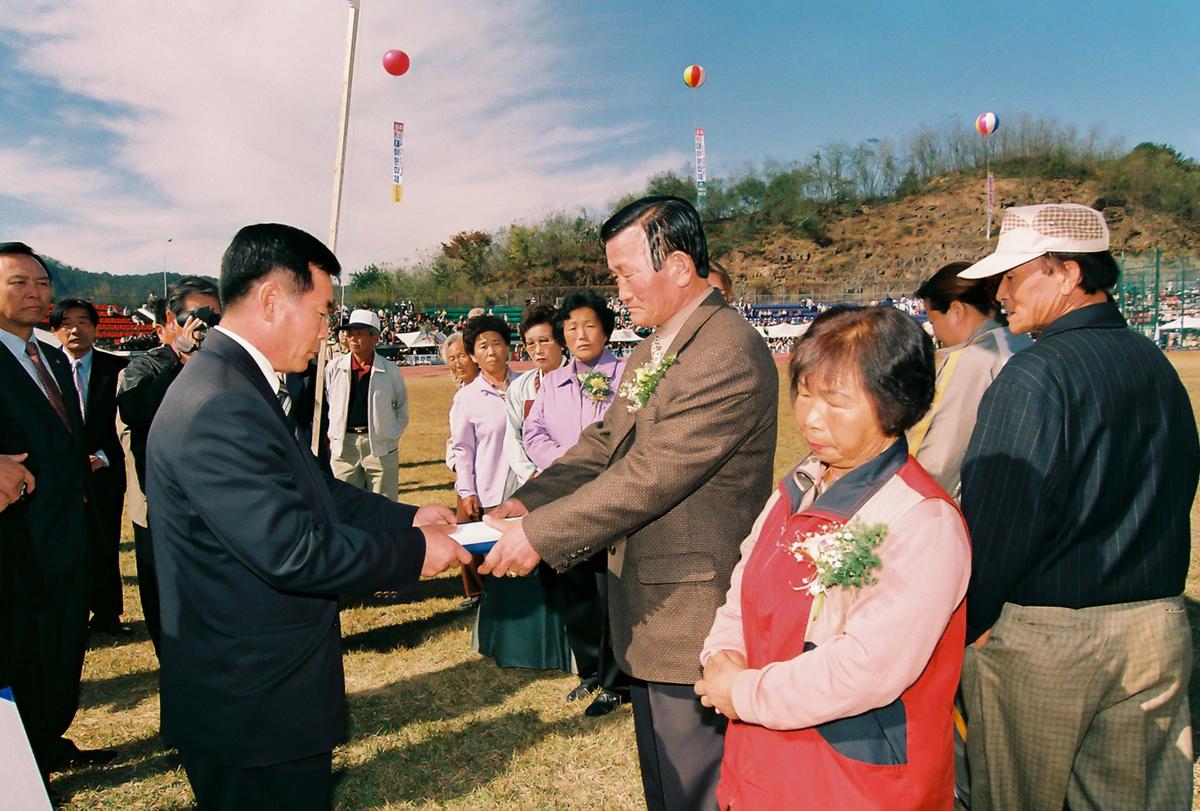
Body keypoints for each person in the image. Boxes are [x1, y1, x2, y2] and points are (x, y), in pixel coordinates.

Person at [146, 223, 470, 810]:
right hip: (251, 706)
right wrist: (418, 554)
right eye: (324, 312)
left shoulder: (242, 383)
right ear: (272, 300)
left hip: (268, 691)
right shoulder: (220, 403)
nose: (330, 332)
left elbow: (318, 491)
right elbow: (293, 550)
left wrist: (406, 519)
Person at [482, 196, 779, 811]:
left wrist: (541, 535)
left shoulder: (725, 348)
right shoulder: (653, 349)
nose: (617, 292)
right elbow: (604, 444)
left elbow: (650, 474)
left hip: (690, 610)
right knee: (664, 785)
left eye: (624, 273)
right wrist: (525, 503)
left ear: (675, 266)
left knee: (697, 787)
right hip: (646, 606)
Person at [957, 203, 1199, 811]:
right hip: (1155, 627)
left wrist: (972, 623)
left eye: (1013, 275)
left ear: (1067, 273)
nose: (1000, 292)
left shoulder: (1034, 374)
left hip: (1050, 639)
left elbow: (997, 523)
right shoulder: (1154, 362)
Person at [696, 305, 969, 809]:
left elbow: (865, 668)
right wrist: (722, 654)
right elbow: (743, 588)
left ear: (895, 405)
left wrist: (746, 693)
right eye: (803, 393)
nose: (810, 417)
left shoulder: (921, 521)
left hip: (852, 781)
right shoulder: (799, 484)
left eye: (836, 401)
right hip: (766, 760)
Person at [0, 242, 117, 777]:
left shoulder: (49, 356)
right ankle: (23, 765)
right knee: (23, 654)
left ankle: (48, 740)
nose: (34, 293)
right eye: (19, 282)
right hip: (16, 546)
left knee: (64, 650)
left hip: (71, 536)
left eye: (42, 283)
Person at [523, 290, 629, 717]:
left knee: (609, 590)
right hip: (564, 498)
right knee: (576, 585)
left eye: (589, 324)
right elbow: (533, 435)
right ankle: (589, 669)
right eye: (570, 327)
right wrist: (564, 466)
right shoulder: (551, 382)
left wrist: (593, 471)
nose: (580, 333)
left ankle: (615, 679)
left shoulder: (626, 376)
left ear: (605, 329)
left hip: (609, 498)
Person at [453, 314, 571, 671]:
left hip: (536, 492)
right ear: (473, 355)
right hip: (494, 492)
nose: (491, 352)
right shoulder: (467, 398)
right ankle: (509, 644)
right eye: (482, 347)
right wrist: (466, 489)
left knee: (543, 567)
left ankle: (551, 646)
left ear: (509, 347)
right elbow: (462, 449)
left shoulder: (530, 384)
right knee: (504, 570)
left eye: (497, 343)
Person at [117, 275, 221, 653]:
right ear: (172, 318)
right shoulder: (145, 367)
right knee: (164, 597)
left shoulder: (221, 364)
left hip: (213, 502)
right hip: (159, 506)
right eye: (196, 314)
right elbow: (135, 409)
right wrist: (180, 356)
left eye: (213, 315)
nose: (205, 324)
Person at [907, 263, 1031, 497]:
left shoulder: (974, 358)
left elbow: (941, 460)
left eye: (933, 322)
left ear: (956, 311)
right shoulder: (1017, 339)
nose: (937, 334)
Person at [50, 298, 131, 636]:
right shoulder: (46, 368)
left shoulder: (117, 368)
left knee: (106, 543)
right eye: (66, 322)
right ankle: (70, 616)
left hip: (105, 472)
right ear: (55, 330)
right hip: (61, 477)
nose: (75, 329)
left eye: (82, 321)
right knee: (66, 546)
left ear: (96, 328)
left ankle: (108, 615)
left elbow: (127, 420)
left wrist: (104, 455)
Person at [324, 309, 409, 501]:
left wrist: (390, 434)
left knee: (384, 504)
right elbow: (329, 403)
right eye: (350, 334)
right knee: (345, 504)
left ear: (375, 338)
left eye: (360, 334)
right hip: (344, 447)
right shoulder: (334, 368)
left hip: (379, 446)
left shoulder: (390, 370)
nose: (353, 339)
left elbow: (401, 407)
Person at [502, 304, 563, 490]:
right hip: (532, 485)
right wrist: (532, 474)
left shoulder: (584, 381)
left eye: (544, 341)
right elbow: (512, 438)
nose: (537, 350)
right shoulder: (520, 388)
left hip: (572, 481)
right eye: (530, 343)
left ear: (561, 340)